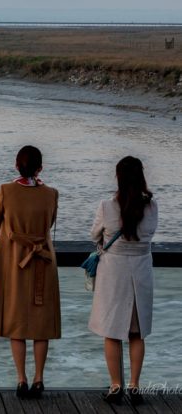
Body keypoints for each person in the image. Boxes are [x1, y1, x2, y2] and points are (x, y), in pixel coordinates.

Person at [0, 145, 60, 399]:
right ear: (40, 168)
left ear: (16, 165)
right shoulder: (51, 194)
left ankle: (21, 379)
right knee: (41, 323)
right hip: (43, 261)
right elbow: (49, 224)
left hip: (14, 261)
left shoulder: (5, 190)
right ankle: (39, 379)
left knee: (16, 322)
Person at [89, 156, 157, 406]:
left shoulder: (107, 206)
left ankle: (116, 386)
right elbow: (150, 233)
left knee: (112, 332)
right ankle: (135, 386)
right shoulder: (152, 206)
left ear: (118, 177)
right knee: (136, 334)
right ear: (141, 176)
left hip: (113, 274)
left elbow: (94, 234)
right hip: (140, 271)